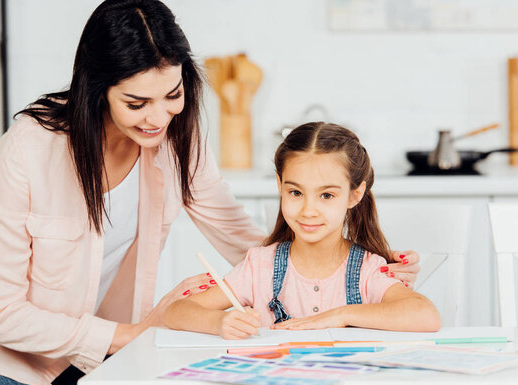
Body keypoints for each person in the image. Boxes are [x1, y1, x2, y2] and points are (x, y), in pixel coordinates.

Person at [0, 1, 421, 385]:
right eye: (136, 103)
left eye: (172, 94)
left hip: (90, 347)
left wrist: (343, 271)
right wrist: (128, 336)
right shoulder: (33, 146)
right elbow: (0, 311)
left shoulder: (178, 133)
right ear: (97, 90)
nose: (158, 118)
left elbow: (236, 231)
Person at [163, 122, 441, 339]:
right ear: (279, 185)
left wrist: (340, 315)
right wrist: (220, 322)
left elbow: (426, 315)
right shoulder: (260, 267)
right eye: (295, 192)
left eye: (327, 196)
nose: (308, 210)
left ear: (354, 195)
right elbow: (177, 312)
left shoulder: (367, 269)